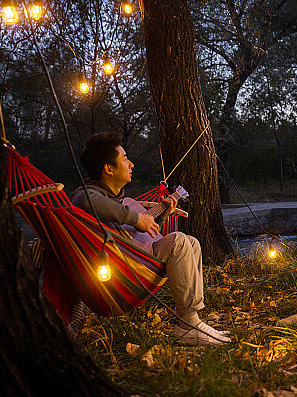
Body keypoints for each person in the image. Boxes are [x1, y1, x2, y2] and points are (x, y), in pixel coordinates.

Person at [71, 132, 231, 346]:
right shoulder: (86, 194)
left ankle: (193, 318)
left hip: (135, 261)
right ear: (108, 169)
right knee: (179, 241)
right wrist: (137, 218)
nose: (131, 164)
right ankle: (187, 325)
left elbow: (139, 237)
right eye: (124, 159)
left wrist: (161, 215)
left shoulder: (119, 201)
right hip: (120, 272)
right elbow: (88, 201)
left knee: (192, 243)